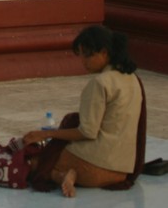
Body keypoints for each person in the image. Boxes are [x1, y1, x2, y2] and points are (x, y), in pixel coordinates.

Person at [23, 25, 145, 198]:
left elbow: (87, 132)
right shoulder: (133, 78)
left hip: (93, 168)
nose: (83, 62)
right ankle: (66, 174)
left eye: (87, 55)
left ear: (104, 52)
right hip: (121, 170)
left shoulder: (100, 83)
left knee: (33, 162)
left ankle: (63, 175)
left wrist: (46, 134)